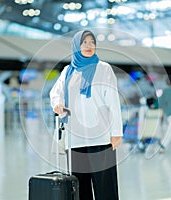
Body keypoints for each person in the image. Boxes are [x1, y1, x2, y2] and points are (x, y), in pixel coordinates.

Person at [50, 30, 123, 200]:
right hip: (75, 138)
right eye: (84, 43)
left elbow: (113, 101)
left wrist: (116, 132)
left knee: (106, 188)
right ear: (76, 46)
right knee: (80, 188)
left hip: (101, 137)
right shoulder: (68, 71)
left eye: (92, 42)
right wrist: (58, 104)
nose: (89, 46)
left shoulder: (104, 68)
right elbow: (56, 92)